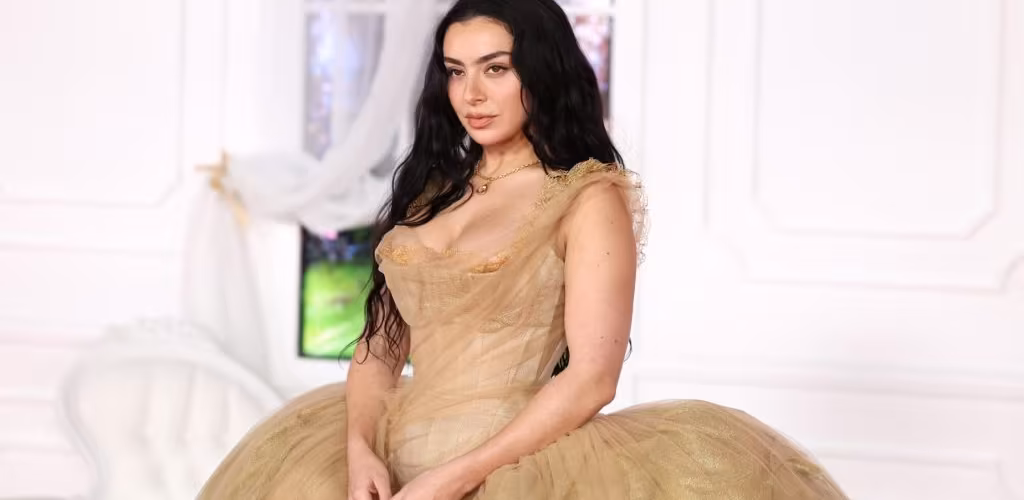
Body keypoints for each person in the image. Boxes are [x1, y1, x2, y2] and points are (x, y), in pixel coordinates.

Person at [199, 0, 849, 498]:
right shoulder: (431, 193)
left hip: (516, 467)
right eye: (456, 72)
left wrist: (455, 478)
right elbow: (379, 347)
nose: (471, 95)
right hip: (392, 455)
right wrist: (359, 447)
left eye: (496, 69)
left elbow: (592, 378)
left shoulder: (586, 198)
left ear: (541, 72)